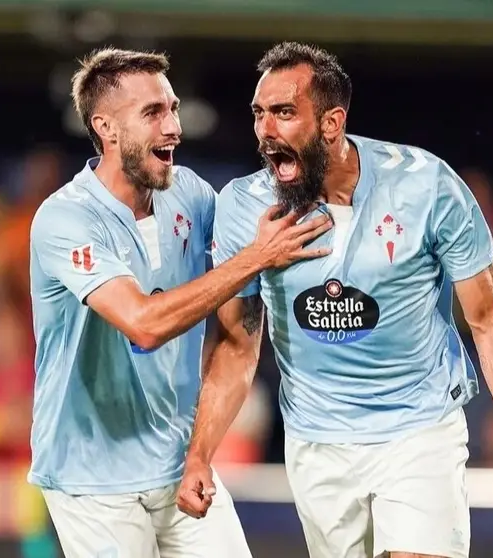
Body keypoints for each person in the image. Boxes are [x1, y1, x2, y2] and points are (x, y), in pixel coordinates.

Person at [177, 42, 493, 558]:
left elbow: (486, 317)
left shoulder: (426, 185)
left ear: (332, 123)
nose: (266, 130)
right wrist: (199, 455)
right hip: (317, 441)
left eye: (284, 112)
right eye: (259, 114)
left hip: (419, 430)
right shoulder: (245, 207)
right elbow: (238, 344)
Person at [27, 47, 332, 558]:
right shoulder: (66, 220)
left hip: (178, 462)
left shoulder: (190, 193)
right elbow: (144, 323)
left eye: (173, 109)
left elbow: (246, 272)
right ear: (105, 127)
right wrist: (255, 258)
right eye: (152, 113)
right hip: (91, 477)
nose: (173, 127)